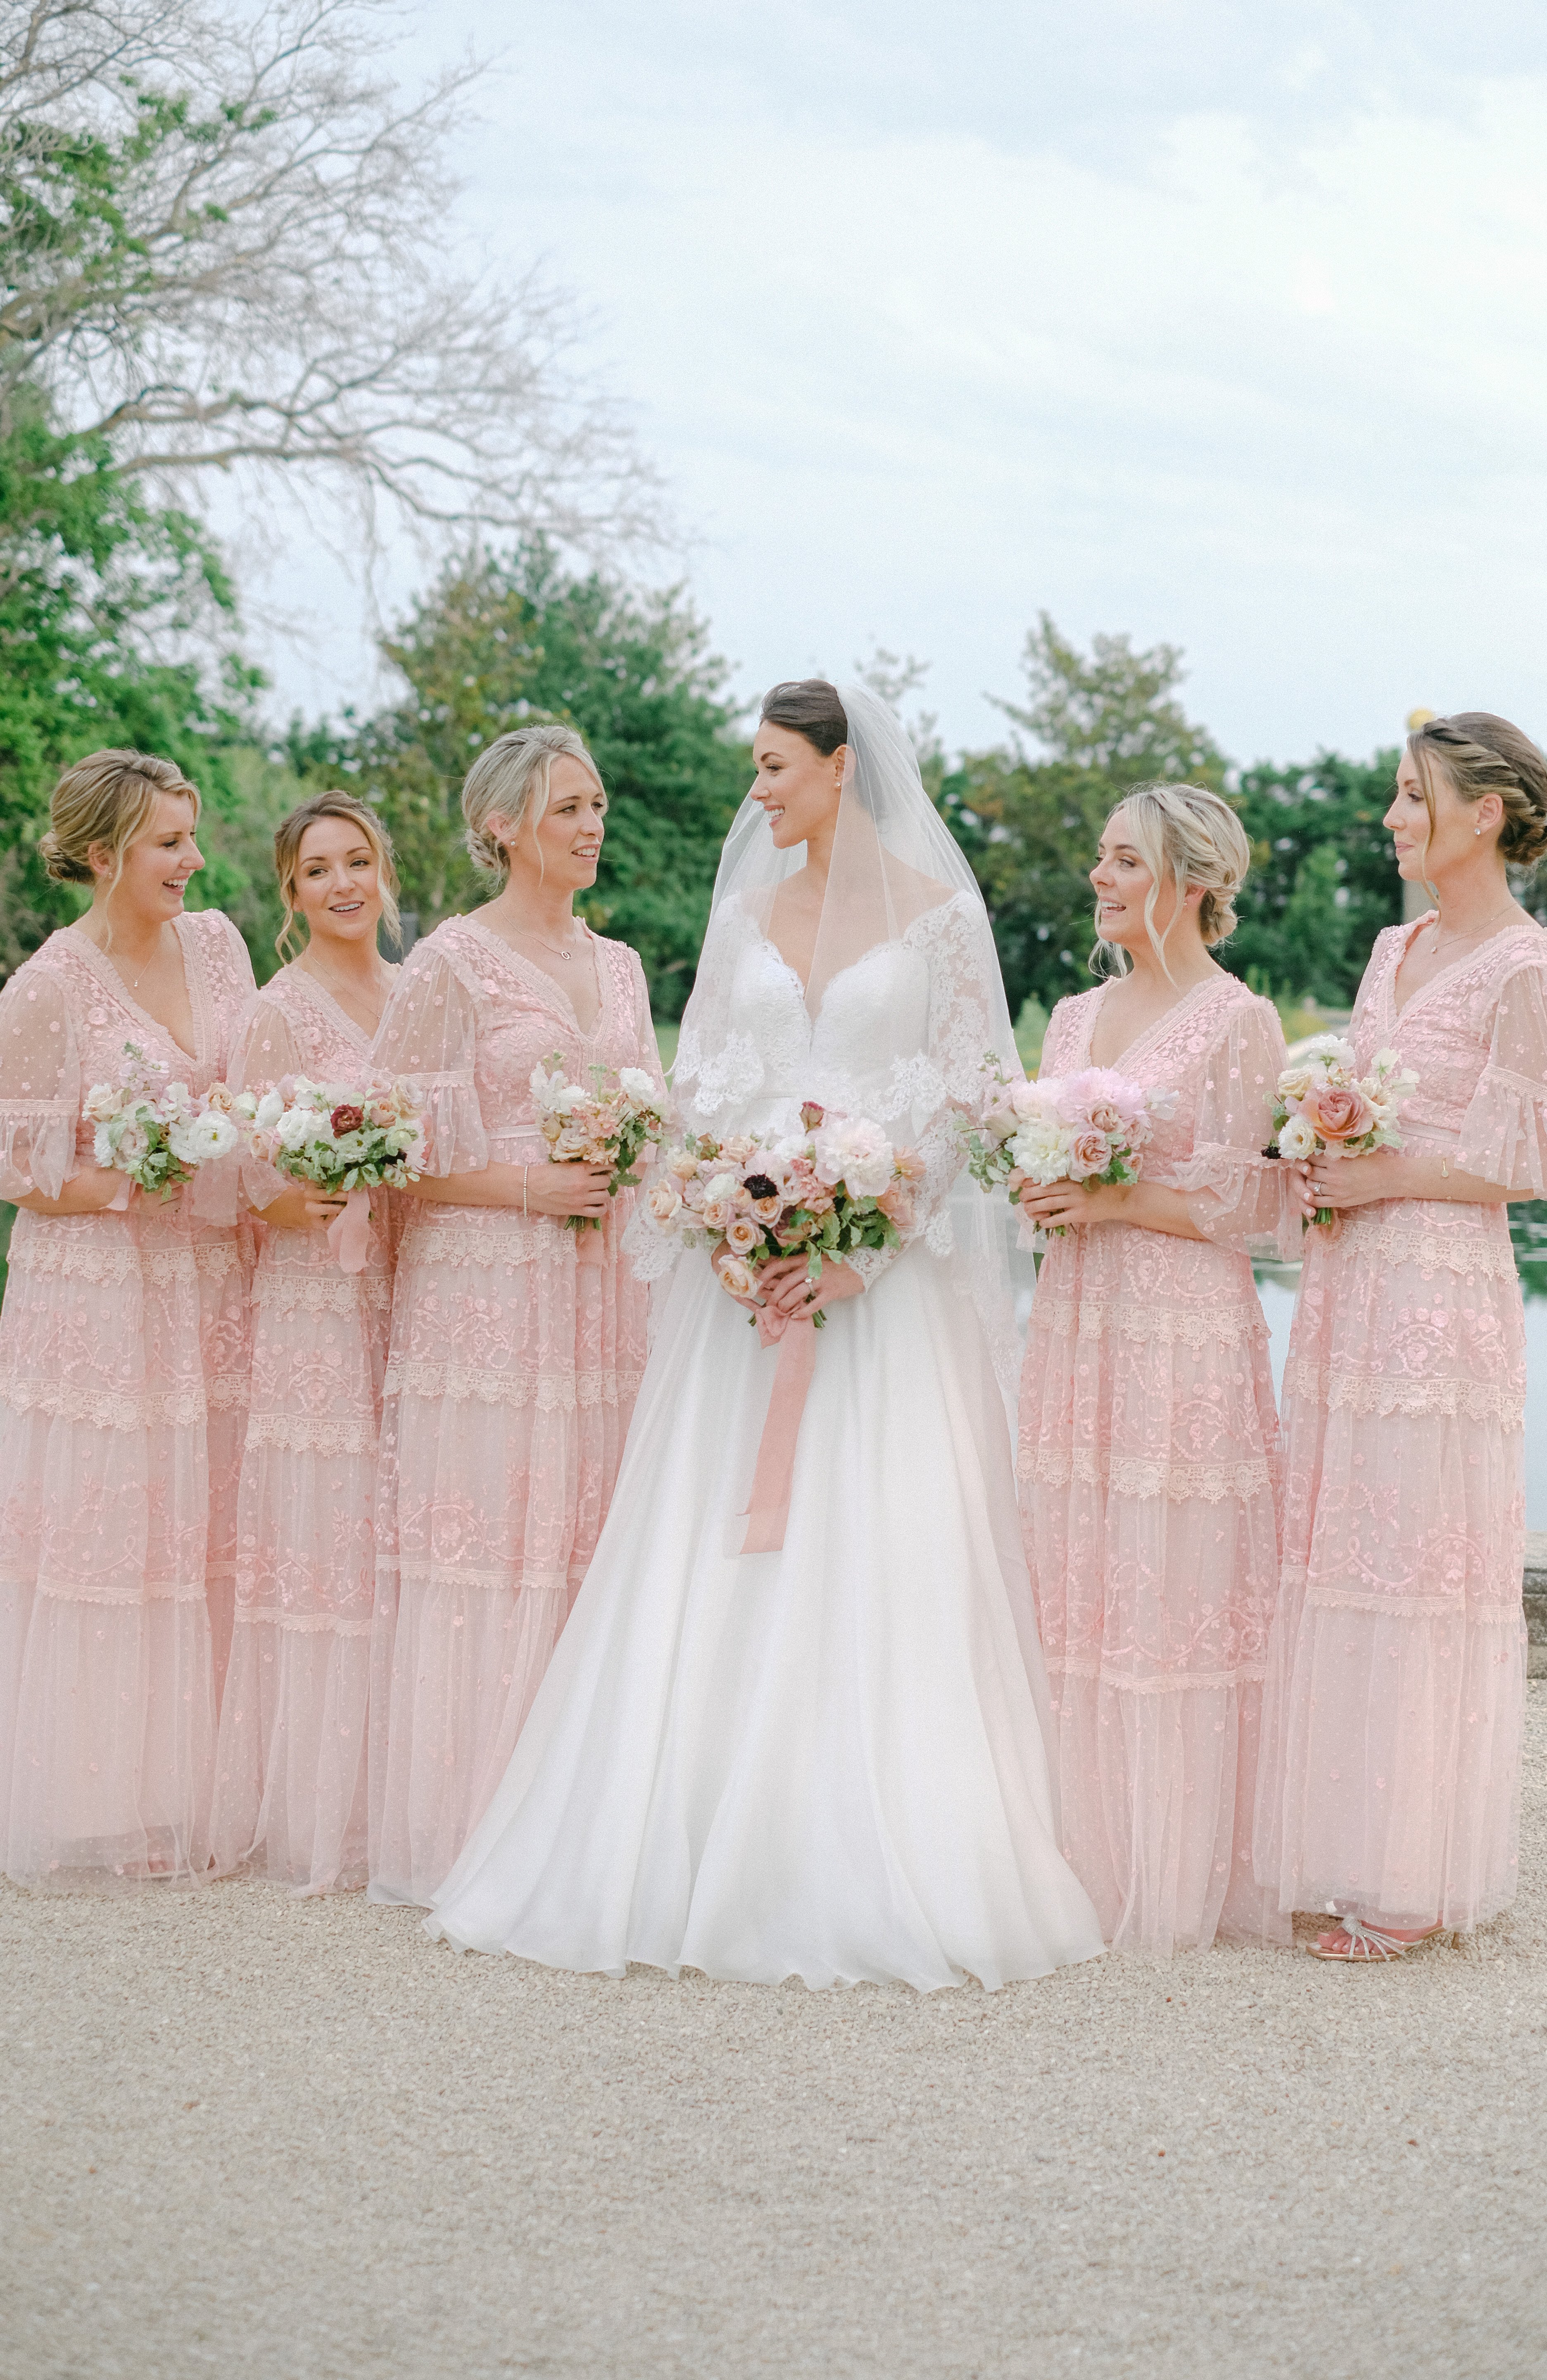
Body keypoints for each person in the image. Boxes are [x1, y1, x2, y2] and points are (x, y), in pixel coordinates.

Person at [423, 681, 1104, 1988]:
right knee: (702, 1549)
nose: (758, 791)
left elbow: (970, 1102)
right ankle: (677, 1838)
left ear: (845, 768)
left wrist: (868, 1243)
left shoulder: (942, 920)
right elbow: (702, 1090)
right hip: (743, 1289)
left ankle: (866, 1843)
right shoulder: (743, 919)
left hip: (880, 1297)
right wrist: (732, 1226)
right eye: (755, 768)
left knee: (879, 1550)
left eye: (777, 767)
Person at [1255, 713, 1547, 1959]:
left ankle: (1411, 1879)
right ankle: (1339, 1847)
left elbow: (1544, 1162)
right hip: (1350, 1285)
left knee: (1416, 1565)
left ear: (1485, 812)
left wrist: (1385, 1177)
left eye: (1411, 796)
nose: (1392, 817)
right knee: (1343, 1548)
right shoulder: (1395, 946)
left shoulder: (1528, 968)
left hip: (1442, 1293)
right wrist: (1322, 1143)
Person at [366, 723, 663, 1906]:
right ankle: (471, 1825)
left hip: (604, 1293)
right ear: (500, 828)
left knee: (592, 1532)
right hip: (485, 1287)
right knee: (492, 1540)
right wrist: (530, 1183)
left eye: (596, 805)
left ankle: (582, 1827)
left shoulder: (628, 966)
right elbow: (393, 1153)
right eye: (565, 810)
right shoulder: (448, 964)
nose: (591, 827)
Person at [1015, 784, 1293, 1953]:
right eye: (1101, 858)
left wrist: (1123, 1192)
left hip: (1183, 1326)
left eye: (1124, 860)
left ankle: (1174, 1865)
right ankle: (1067, 1849)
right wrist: (1037, 1188)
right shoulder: (1073, 1018)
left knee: (1170, 1577)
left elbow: (1256, 1200)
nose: (1100, 877)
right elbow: (1041, 1168)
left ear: (1188, 880)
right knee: (1073, 1563)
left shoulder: (1241, 1020)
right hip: (1078, 1318)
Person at [0, 750, 256, 1887]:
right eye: (168, 843)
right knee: (112, 1516)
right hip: (101, 1285)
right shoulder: (49, 986)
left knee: (201, 1506)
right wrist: (123, 1180)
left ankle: (195, 1785)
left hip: (209, 1275)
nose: (193, 862)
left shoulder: (219, 945)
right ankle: (96, 1793)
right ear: (102, 854)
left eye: (192, 838)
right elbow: (16, 1157)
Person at [211, 793, 404, 1893]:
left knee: (396, 1512)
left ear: (383, 871)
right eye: (318, 870)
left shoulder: (418, 992)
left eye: (358, 862)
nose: (342, 884)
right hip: (314, 1292)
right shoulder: (278, 1011)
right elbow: (236, 1166)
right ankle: (320, 1804)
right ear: (290, 892)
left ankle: (397, 1785)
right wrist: (298, 1202)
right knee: (330, 1522)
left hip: (406, 1278)